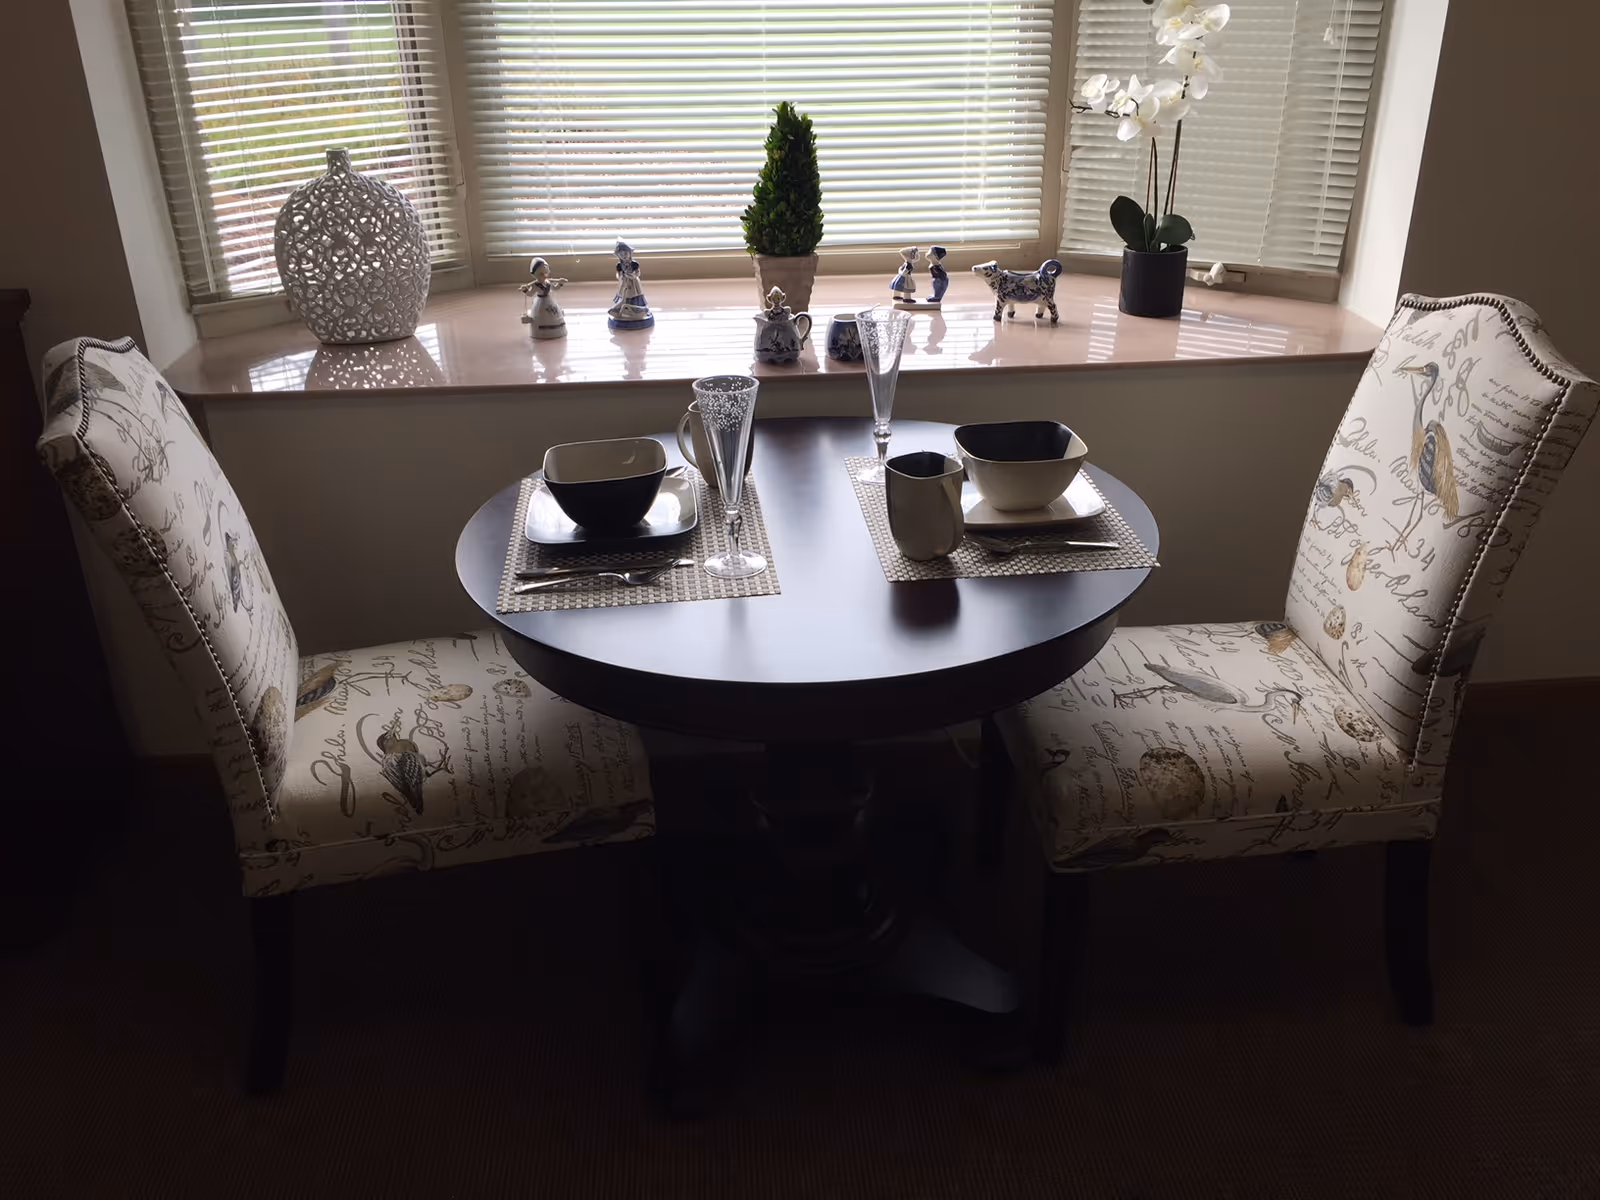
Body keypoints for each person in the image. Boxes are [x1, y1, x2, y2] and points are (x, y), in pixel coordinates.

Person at [608, 239, 655, 330]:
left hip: (633, 283)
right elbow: (618, 275)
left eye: (625, 253)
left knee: (633, 295)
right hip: (624, 283)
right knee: (624, 295)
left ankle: (637, 310)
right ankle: (621, 309)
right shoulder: (619, 265)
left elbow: (637, 273)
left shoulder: (634, 264)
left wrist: (631, 275)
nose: (624, 256)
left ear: (630, 253)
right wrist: (622, 276)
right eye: (621, 254)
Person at [520, 256, 568, 339]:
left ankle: (556, 331)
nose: (544, 276)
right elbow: (530, 294)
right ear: (535, 274)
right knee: (541, 316)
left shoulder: (548, 282)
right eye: (541, 274)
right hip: (540, 304)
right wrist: (525, 290)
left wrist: (560, 283)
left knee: (554, 315)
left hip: (550, 301)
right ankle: (542, 332)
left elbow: (555, 288)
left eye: (545, 273)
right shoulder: (535, 285)